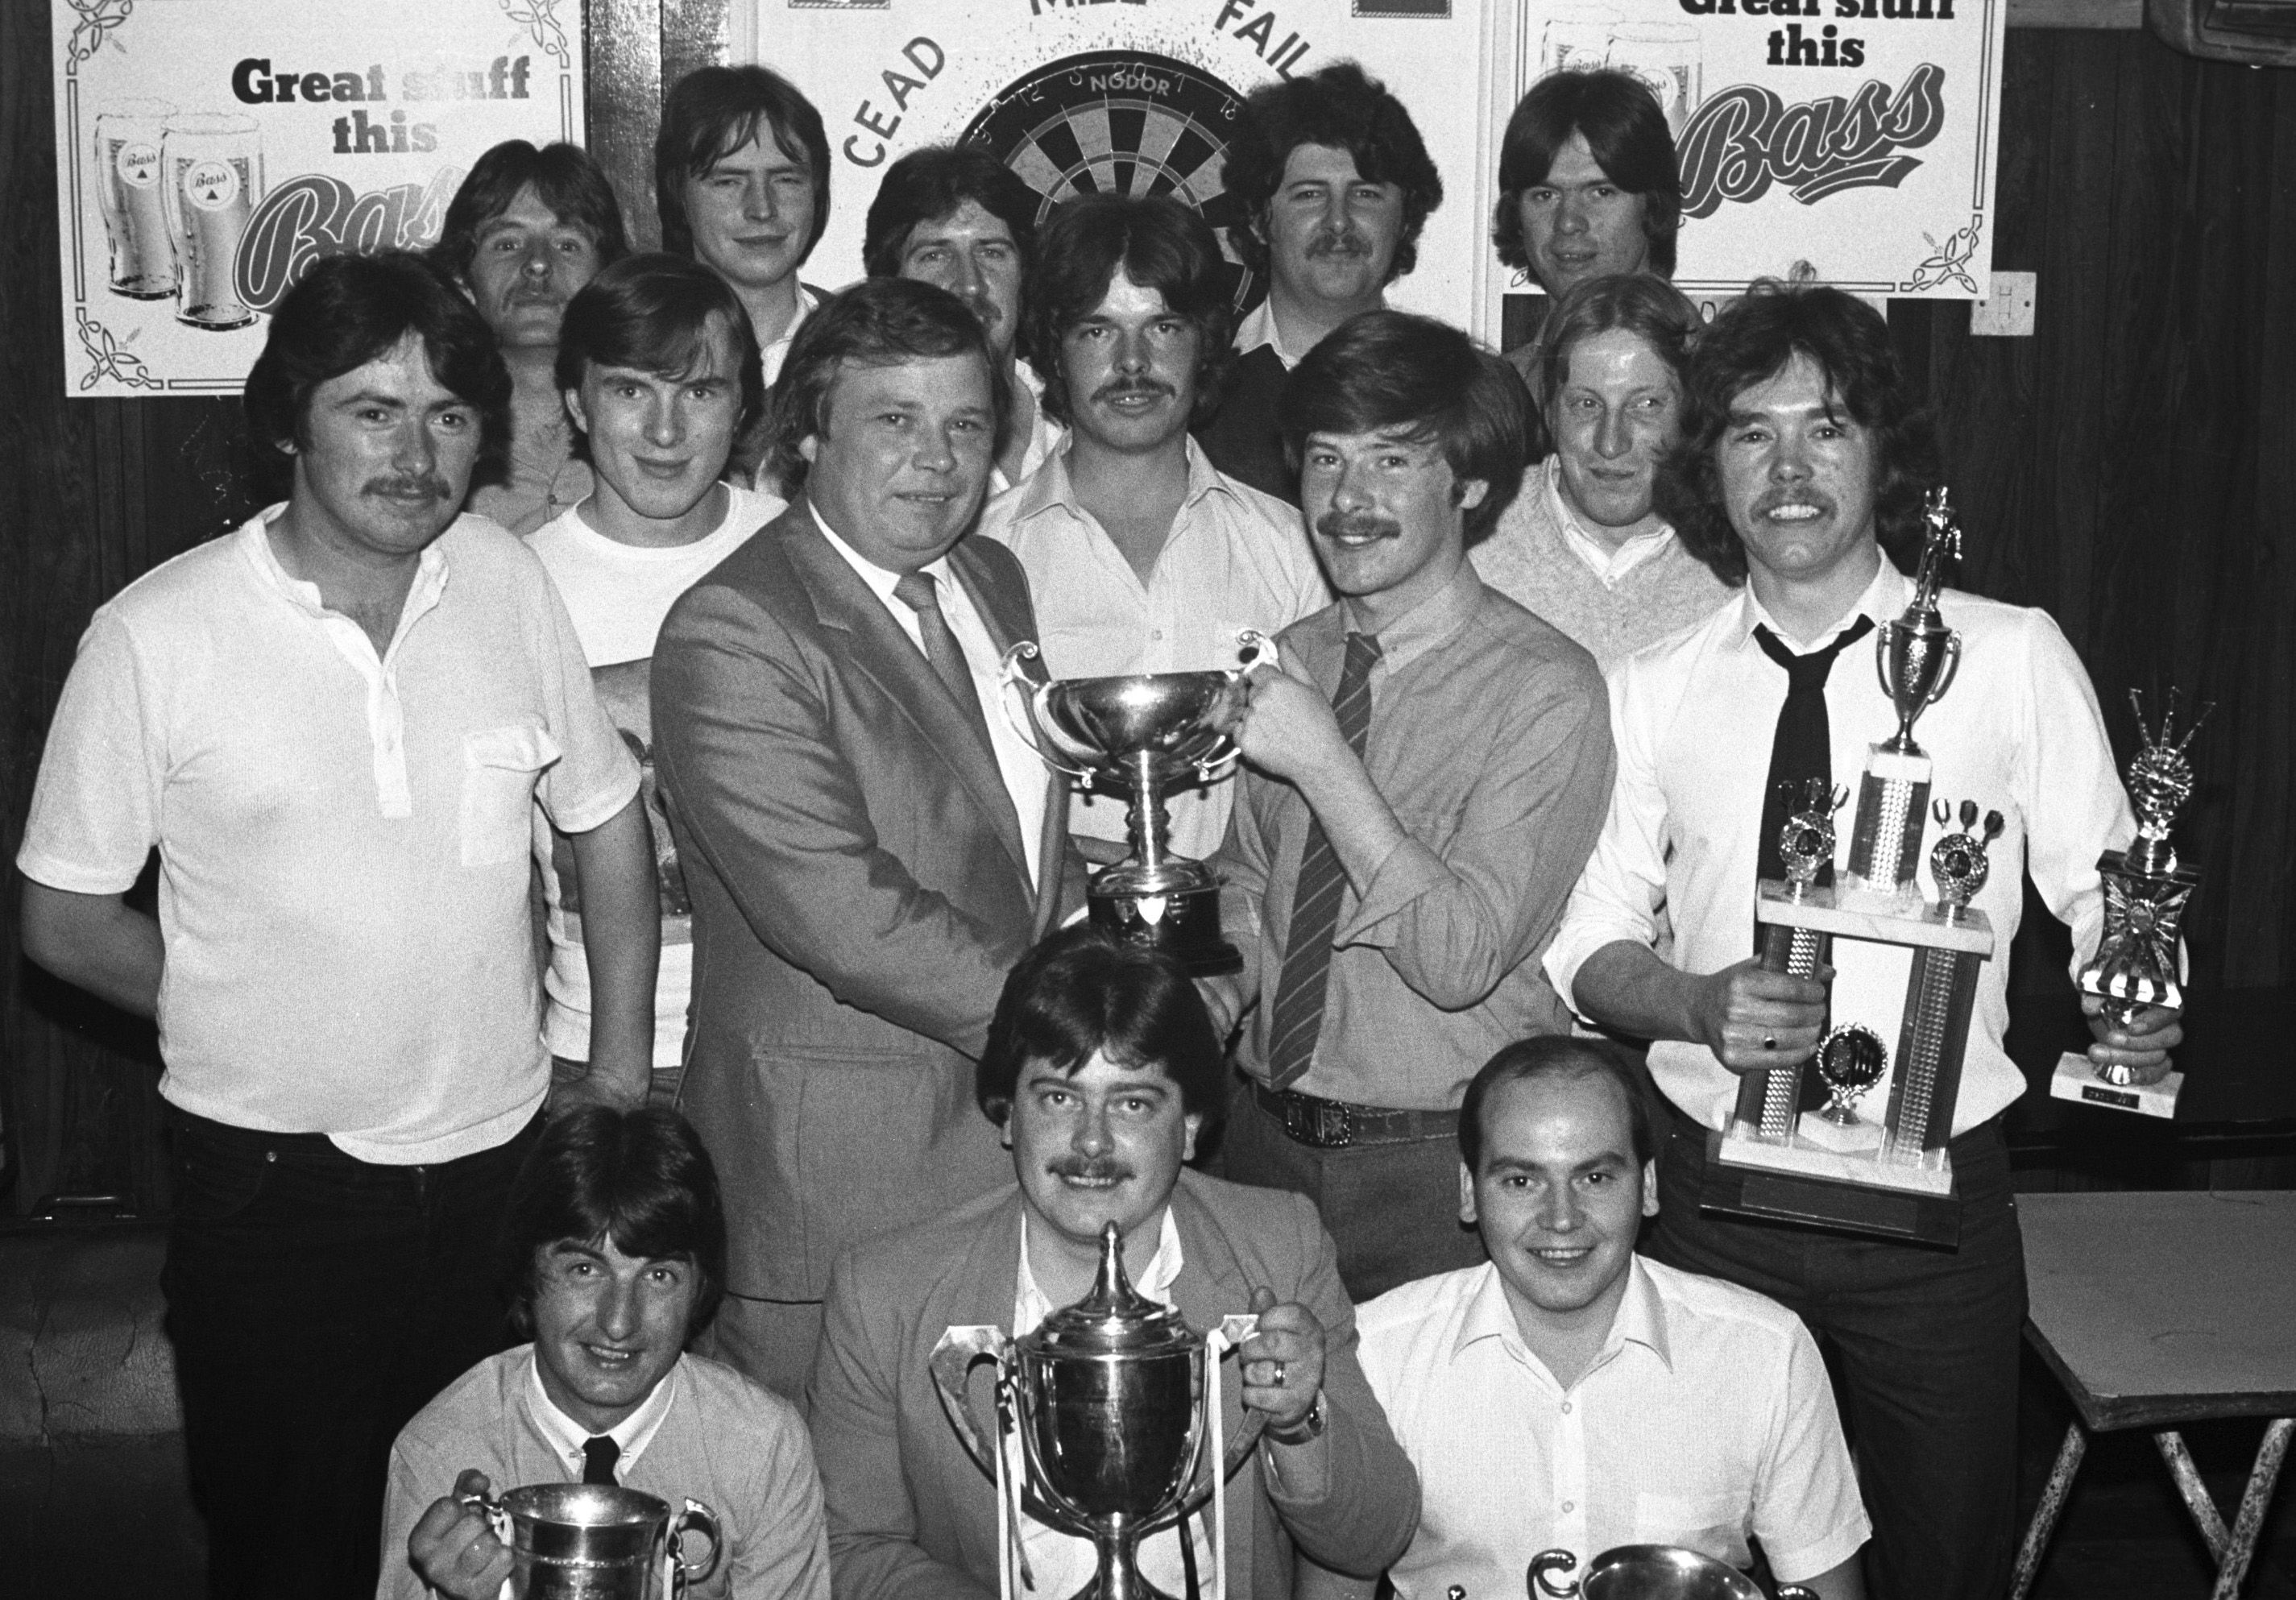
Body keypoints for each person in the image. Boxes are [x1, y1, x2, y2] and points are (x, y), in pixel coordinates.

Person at [16, 251, 657, 1599]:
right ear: (289, 417)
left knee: (491, 1552)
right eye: (373, 410)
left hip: (503, 1176)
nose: (416, 452)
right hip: (272, 1199)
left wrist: (608, 1077)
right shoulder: (157, 633)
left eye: (449, 415)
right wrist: (240, 1008)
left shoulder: (500, 579)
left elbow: (604, 817)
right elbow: (64, 919)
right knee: (294, 1554)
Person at [1544, 283, 2182, 1600]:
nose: (1789, 468)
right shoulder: (1653, 687)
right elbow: (1588, 945)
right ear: (1710, 468)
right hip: (1712, 1207)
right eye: (1751, 433)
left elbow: (2111, 899)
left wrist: (2141, 997)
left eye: (1825, 429)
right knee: (1700, 1563)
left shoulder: (2009, 657)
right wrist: (1692, 998)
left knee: (1941, 1571)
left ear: (1884, 454)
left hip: (1932, 1226)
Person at [650, 278, 1088, 1400]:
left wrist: (1114, 940)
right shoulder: (734, 627)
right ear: (808, 434)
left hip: (1012, 1159)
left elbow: (1021, 841)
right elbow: (840, 911)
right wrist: (1089, 1033)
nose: (935, 460)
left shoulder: (990, 577)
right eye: (893, 421)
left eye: (964, 424)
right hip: (833, 1184)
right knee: (829, 1541)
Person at [808, 925, 1419, 1600]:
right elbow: (850, 1552)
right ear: (1009, 1115)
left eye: (1132, 1102)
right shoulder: (887, 1293)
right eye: (1059, 1098)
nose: (1091, 1141)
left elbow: (1375, 1538)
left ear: (1189, 1127)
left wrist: (1298, 1420)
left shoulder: (1277, 1246)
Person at [1203, 311, 1615, 1302]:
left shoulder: (1547, 689)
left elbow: (1459, 956)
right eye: (1326, 461)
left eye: (1392, 461)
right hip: (1255, 1144)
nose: (1348, 500)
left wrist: (1325, 764)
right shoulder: (1293, 660)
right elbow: (1253, 890)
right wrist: (1199, 993)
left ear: (1468, 485)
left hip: (1437, 1171)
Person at [1339, 1038, 1867, 1600]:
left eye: (1595, 1178)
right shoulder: (1376, 1353)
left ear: (1648, 1187)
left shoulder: (1767, 1354)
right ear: (1470, 1192)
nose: (1561, 1219)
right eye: (1522, 1181)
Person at [980, 193, 1327, 864]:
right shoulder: (986, 554)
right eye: (1097, 330)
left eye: (1163, 327)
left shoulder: (1294, 551)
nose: (1132, 363)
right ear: (1055, 350)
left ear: (1204, 344)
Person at [383, 1105, 832, 1600]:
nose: (619, 1322)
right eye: (584, 1270)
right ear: (528, 1276)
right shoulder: (441, 1450)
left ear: (701, 1290)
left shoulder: (761, 1448)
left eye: (659, 1276)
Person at [529, 254, 785, 1105]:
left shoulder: (800, 558)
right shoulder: (516, 585)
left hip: (787, 1038)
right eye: (633, 391)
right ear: (577, 401)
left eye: (701, 392)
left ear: (743, 404)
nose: (666, 432)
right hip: (585, 1046)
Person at [1196, 62, 1443, 504]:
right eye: (1309, 194)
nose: (1339, 221)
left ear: (1404, 218)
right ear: (1257, 220)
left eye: (1365, 194)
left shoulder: (1454, 388)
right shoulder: (1197, 395)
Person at [1472, 274, 1730, 668]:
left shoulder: (1740, 550)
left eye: (1645, 406)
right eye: (1587, 405)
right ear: (1550, 411)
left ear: (1692, 415)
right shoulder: (1472, 539)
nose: (1611, 443)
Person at [429, 139, 628, 534]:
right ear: (462, 278)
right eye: (508, 244)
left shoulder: (650, 421)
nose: (538, 263)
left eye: (567, 244)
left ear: (606, 274)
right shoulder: (429, 431)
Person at [863, 144, 1063, 491]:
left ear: (1025, 273)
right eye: (936, 255)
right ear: (891, 280)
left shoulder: (1076, 421)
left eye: (991, 252)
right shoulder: (861, 440)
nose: (970, 284)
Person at [1493, 69, 1681, 400]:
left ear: (1653, 204)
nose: (1568, 222)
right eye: (1545, 195)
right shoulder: (1496, 395)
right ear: (1518, 215)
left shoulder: (1725, 382)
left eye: (1601, 193)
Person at [657, 64, 831, 388]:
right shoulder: (637, 354)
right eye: (728, 182)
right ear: (678, 194)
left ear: (816, 192)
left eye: (786, 180)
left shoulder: (865, 350)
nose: (762, 209)